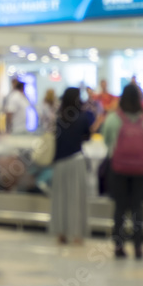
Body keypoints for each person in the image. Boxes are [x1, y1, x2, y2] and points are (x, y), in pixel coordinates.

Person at [102, 84, 143, 259]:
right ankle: (139, 247)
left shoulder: (113, 118)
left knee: (119, 207)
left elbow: (106, 140)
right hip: (140, 169)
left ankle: (119, 246)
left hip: (118, 168)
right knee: (137, 207)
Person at [50, 87, 95, 246]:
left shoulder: (59, 119)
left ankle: (61, 233)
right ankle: (77, 235)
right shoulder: (82, 118)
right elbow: (87, 137)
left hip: (60, 162)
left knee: (60, 198)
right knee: (76, 200)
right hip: (76, 161)